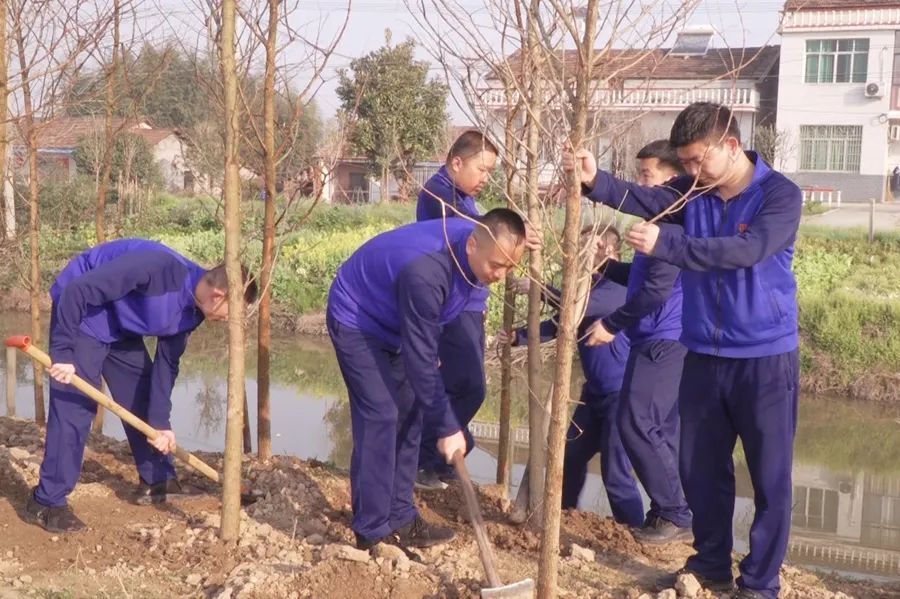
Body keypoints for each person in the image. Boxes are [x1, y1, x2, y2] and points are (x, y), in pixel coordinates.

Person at [566, 102, 801, 599]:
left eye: (698, 160)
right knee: (701, 469)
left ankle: (760, 582)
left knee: (770, 477)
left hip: (764, 357)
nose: (691, 173)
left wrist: (667, 247)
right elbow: (646, 197)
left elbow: (746, 251)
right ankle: (711, 563)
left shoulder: (779, 196)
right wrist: (595, 181)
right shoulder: (693, 192)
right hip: (702, 353)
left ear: (731, 146)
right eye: (686, 163)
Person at [327, 208, 527, 550]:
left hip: (398, 322)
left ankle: (401, 517)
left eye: (510, 267)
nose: (500, 275)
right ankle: (371, 531)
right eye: (496, 265)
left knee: (412, 413)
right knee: (381, 415)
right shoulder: (427, 271)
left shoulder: (475, 252)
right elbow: (420, 357)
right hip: (358, 318)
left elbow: (433, 338)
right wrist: (448, 428)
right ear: (472, 246)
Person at [26, 238, 258, 533]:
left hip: (120, 327)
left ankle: (158, 480)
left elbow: (166, 365)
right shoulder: (157, 268)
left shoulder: (195, 310)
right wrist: (63, 353)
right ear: (219, 296)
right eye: (232, 314)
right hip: (83, 315)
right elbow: (77, 291)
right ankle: (46, 502)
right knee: (76, 406)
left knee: (142, 393)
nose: (228, 321)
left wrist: (161, 424)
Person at [502, 226, 644, 527]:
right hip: (593, 394)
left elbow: (575, 308)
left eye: (588, 248)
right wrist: (519, 337)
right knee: (570, 457)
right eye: (579, 248)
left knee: (615, 472)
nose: (580, 255)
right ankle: (564, 518)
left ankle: (632, 532)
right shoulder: (585, 288)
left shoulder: (618, 289)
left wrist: (540, 287)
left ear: (611, 251)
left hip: (621, 395)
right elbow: (559, 325)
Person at [589, 140, 692, 544]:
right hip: (653, 337)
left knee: (637, 422)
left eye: (647, 175)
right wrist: (606, 266)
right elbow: (639, 279)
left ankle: (674, 513)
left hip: (664, 339)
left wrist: (611, 324)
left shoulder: (670, 229)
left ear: (672, 180)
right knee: (659, 428)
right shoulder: (658, 226)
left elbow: (655, 293)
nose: (641, 185)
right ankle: (672, 511)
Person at [414, 130, 496, 490]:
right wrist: (512, 232)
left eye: (490, 171)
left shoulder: (461, 196)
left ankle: (437, 458)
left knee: (456, 386)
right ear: (457, 162)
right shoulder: (439, 194)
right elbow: (478, 232)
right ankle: (425, 458)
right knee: (471, 387)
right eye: (482, 169)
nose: (486, 178)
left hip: (468, 303)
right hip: (453, 304)